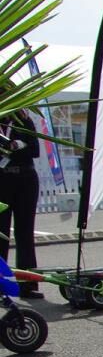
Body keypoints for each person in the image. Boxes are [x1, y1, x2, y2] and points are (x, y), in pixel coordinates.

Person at [0, 109, 43, 298]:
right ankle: (3, 285)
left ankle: (28, 285)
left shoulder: (24, 121)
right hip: (2, 180)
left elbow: (35, 150)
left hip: (26, 178)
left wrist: (16, 146)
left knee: (25, 232)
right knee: (1, 234)